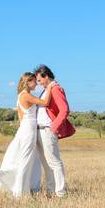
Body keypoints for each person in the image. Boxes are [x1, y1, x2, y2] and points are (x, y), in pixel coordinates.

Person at [0, 72, 55, 197]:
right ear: (28, 82)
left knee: (27, 161)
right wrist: (50, 86)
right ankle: (20, 193)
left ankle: (0, 174)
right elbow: (45, 102)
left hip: (25, 129)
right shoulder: (25, 96)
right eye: (34, 81)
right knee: (25, 162)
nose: (36, 83)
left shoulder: (20, 96)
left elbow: (20, 119)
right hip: (29, 130)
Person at [33, 65, 75, 197]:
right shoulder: (46, 89)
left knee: (54, 162)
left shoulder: (56, 88)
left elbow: (64, 109)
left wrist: (53, 127)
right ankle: (51, 192)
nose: (38, 84)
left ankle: (60, 192)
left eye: (39, 80)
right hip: (40, 130)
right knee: (46, 163)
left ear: (46, 77)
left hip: (47, 130)